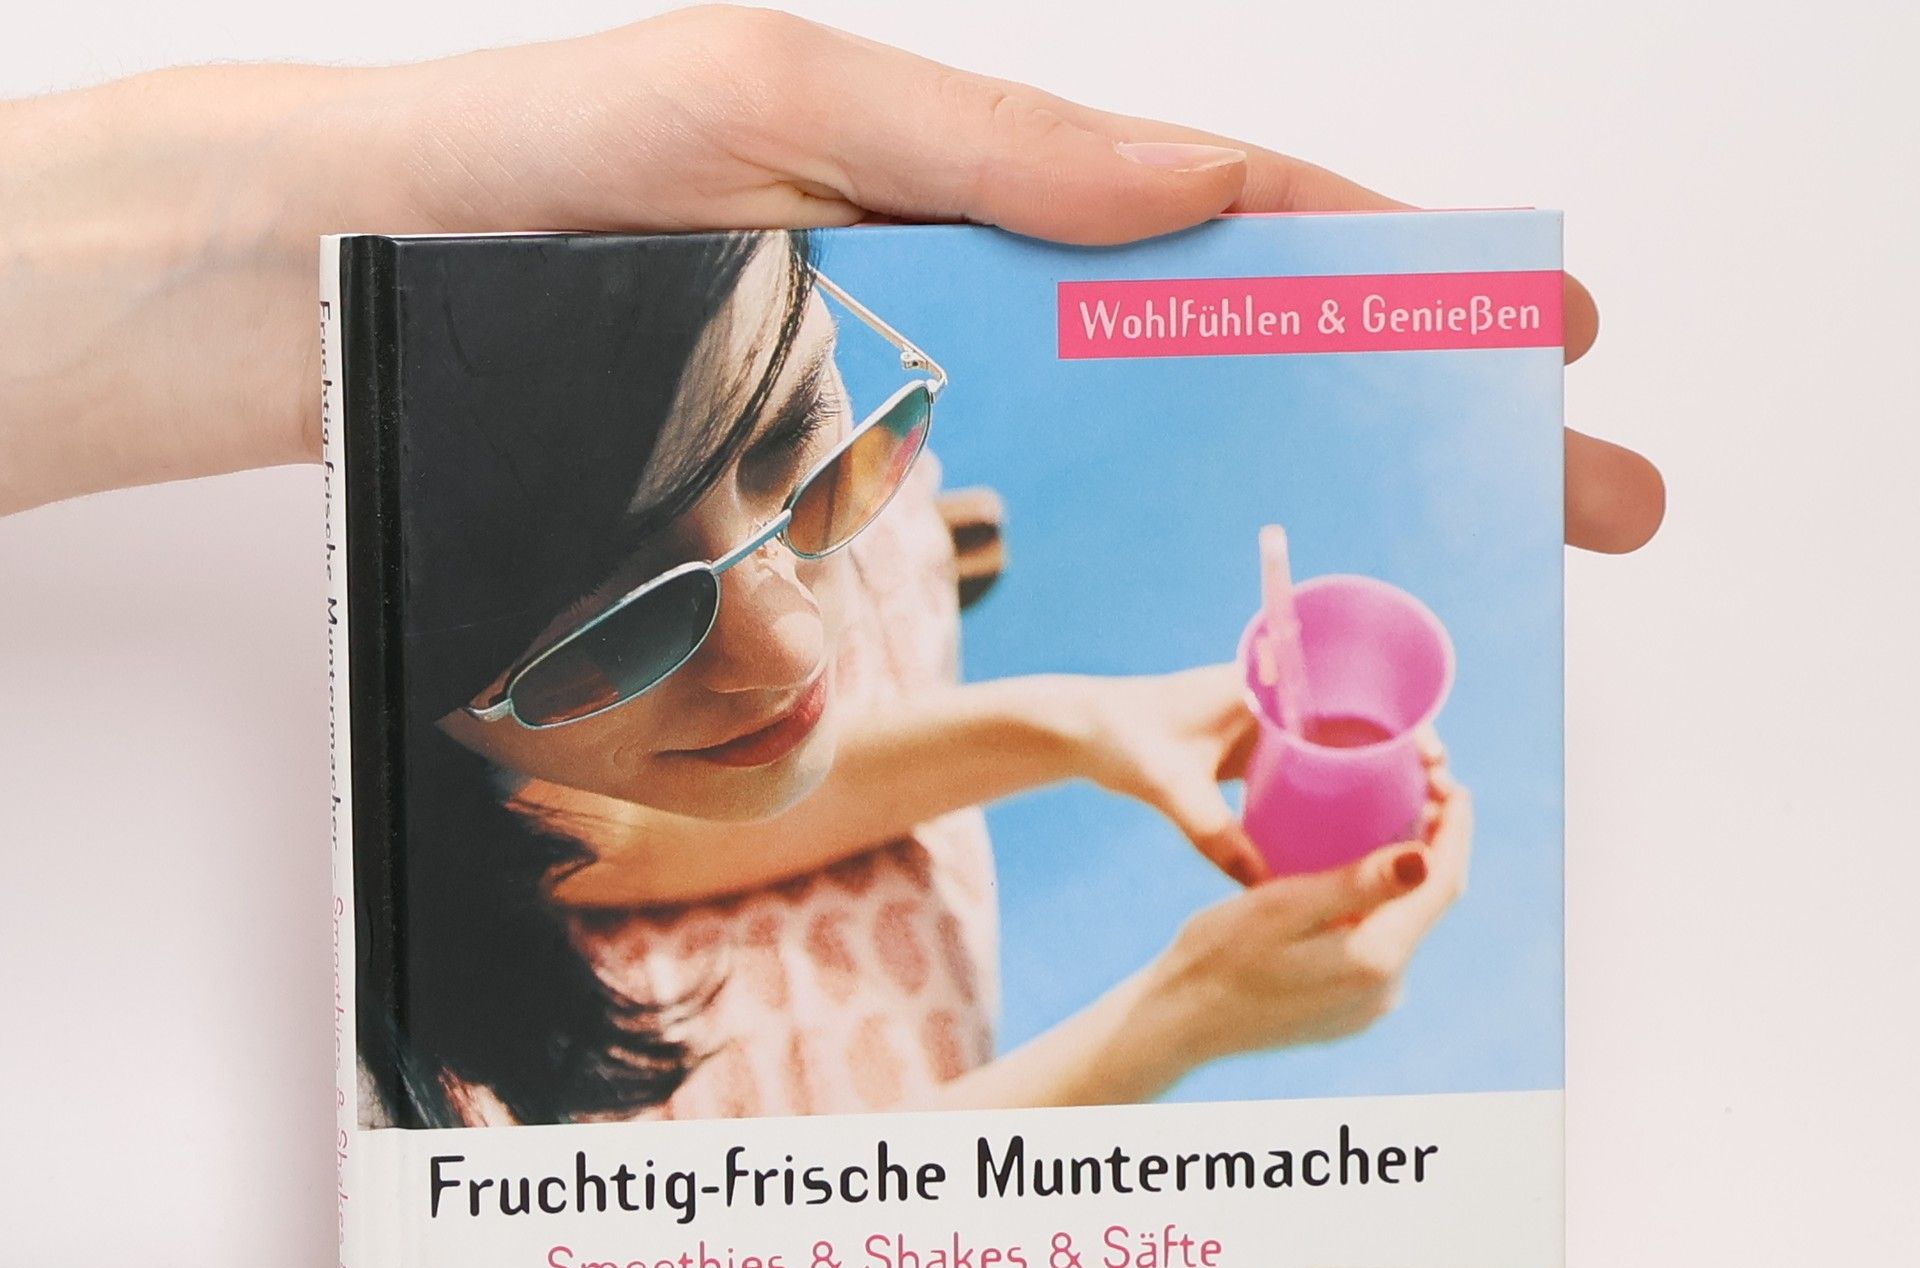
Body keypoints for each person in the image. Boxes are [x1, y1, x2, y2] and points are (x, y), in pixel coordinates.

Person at [0, 9, 1663, 1127]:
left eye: (797, 446)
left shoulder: (494, 816)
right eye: (616, 630)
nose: (801, 649)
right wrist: (1179, 1019)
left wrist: (1081, 723)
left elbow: (573, 851)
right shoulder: (410, 1078)